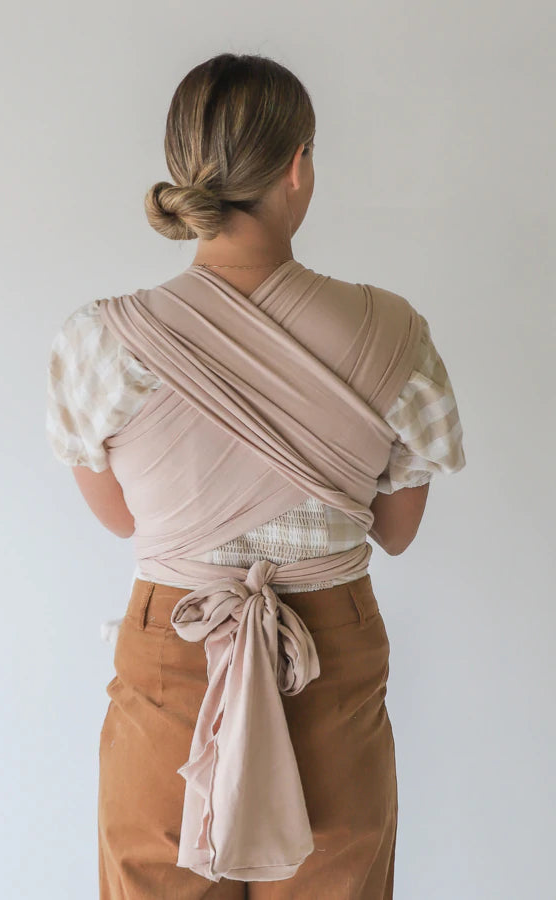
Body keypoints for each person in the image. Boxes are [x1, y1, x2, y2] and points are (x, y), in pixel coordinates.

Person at [46, 52, 466, 899]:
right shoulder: (393, 335)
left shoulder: (104, 340)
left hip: (175, 650)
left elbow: (126, 522)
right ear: (298, 166)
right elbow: (397, 531)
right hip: (328, 660)